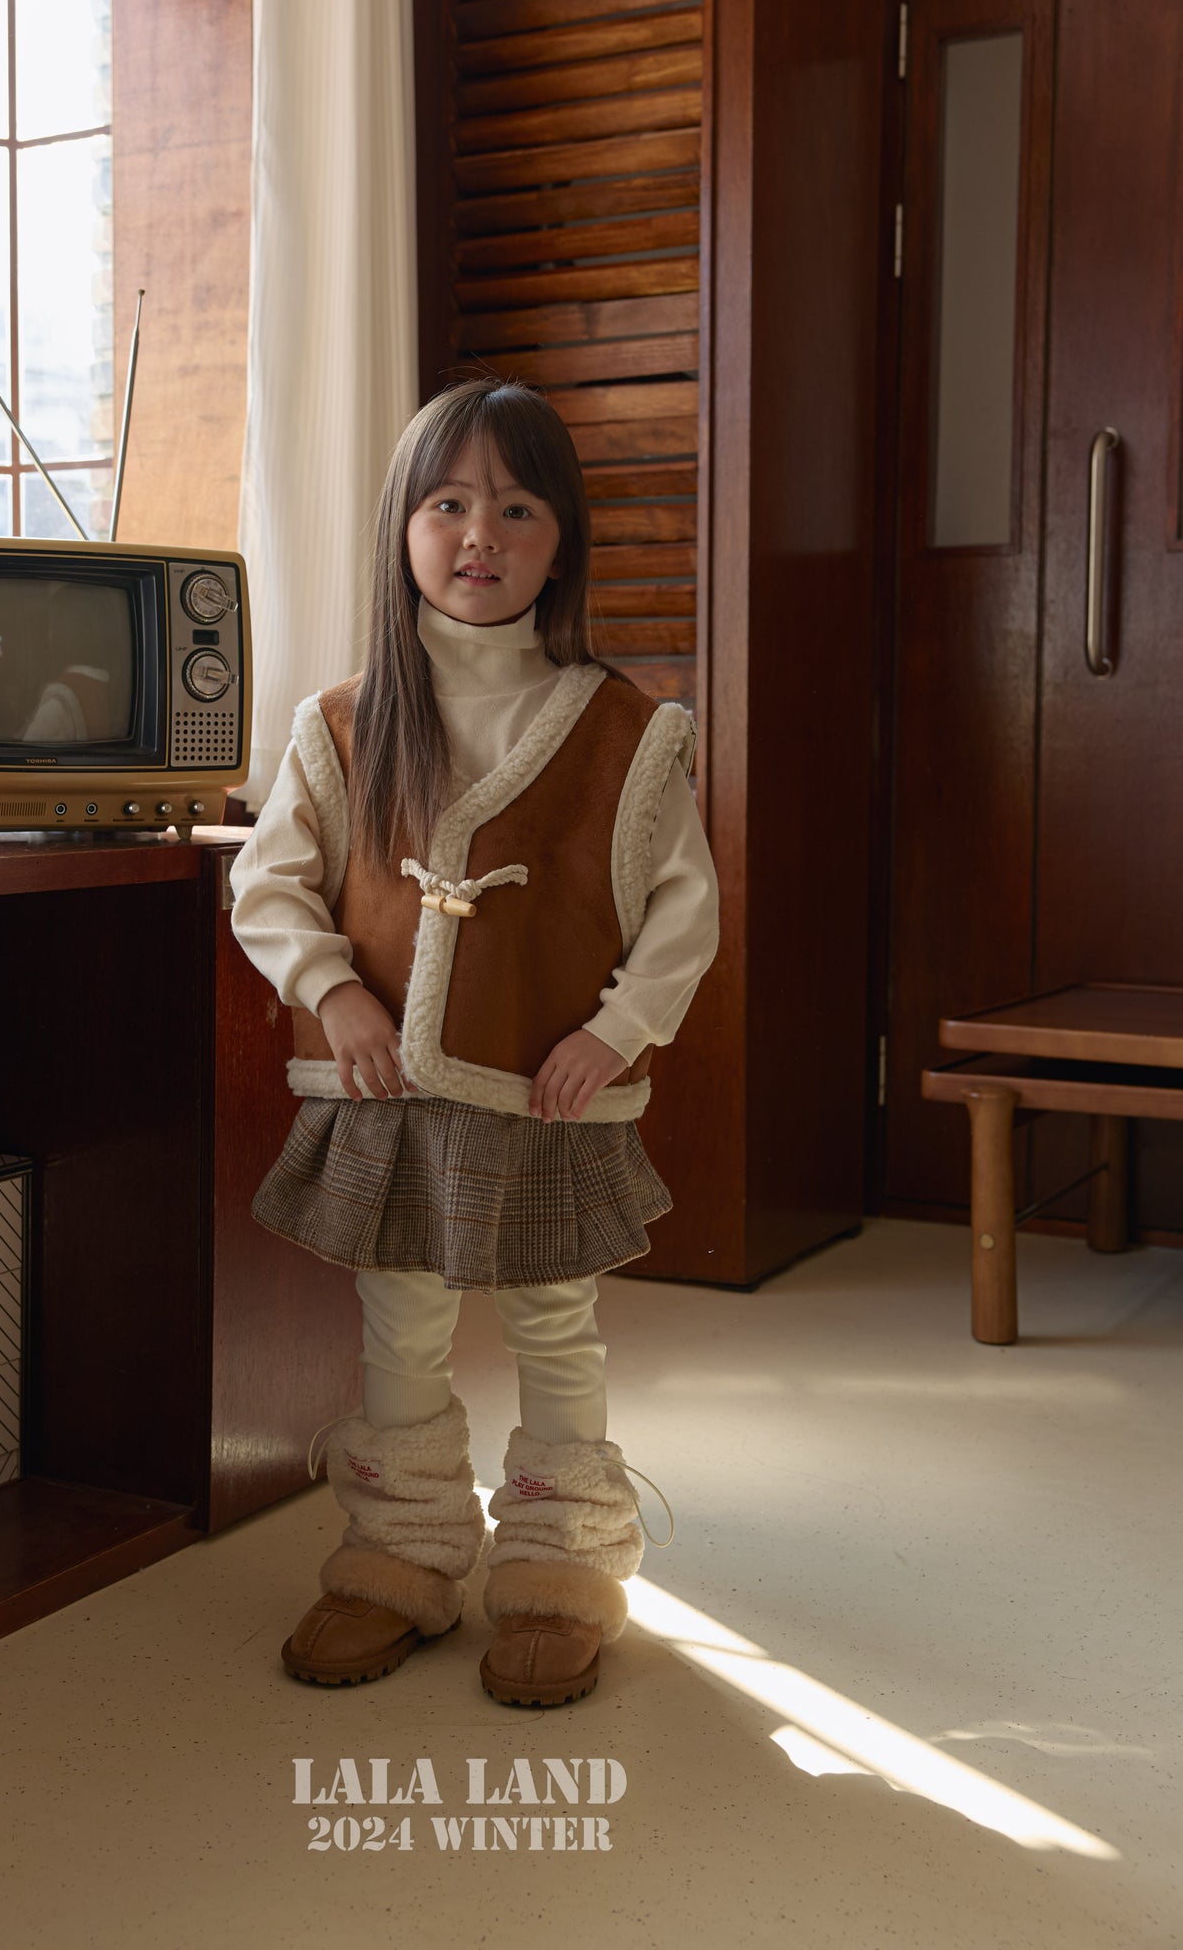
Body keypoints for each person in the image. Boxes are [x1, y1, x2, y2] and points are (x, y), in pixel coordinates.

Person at [228, 376, 719, 1707]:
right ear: (403, 528)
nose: (477, 534)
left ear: (560, 539)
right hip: (382, 1089)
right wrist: (334, 993)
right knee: (399, 1321)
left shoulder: (628, 730)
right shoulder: (337, 723)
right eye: (446, 504)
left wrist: (615, 1035)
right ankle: (399, 1553)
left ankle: (560, 1570)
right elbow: (268, 886)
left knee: (555, 1321)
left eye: (514, 506)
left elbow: (683, 909)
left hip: (546, 1090)